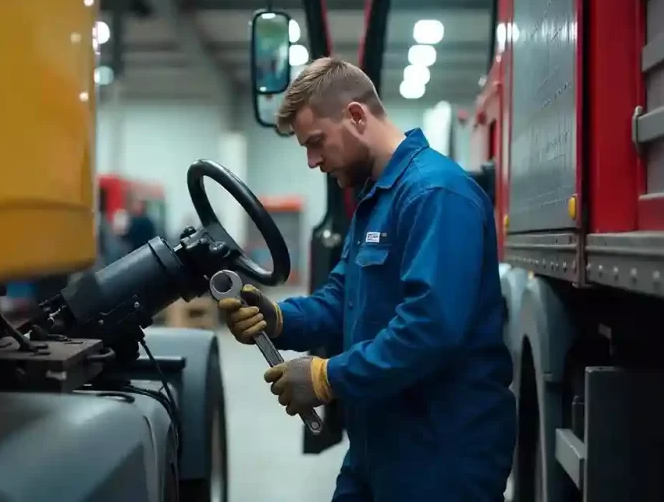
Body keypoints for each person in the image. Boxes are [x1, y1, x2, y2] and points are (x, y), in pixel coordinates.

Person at [219, 57, 516, 501]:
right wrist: (279, 317)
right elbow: (344, 297)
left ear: (356, 115)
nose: (313, 160)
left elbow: (430, 327)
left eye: (316, 142)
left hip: (440, 453)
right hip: (379, 444)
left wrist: (327, 377)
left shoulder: (435, 194)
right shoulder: (376, 198)